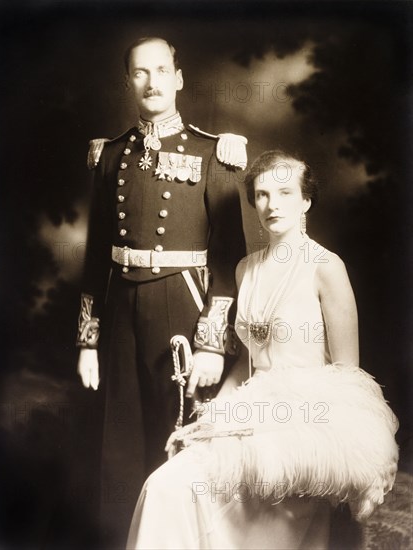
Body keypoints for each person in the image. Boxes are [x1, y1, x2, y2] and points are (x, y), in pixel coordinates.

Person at [127, 150, 399, 550]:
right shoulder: (245, 268)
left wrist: (310, 444)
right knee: (165, 485)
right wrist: (211, 420)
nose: (272, 205)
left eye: (285, 192)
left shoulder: (326, 267)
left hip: (306, 427)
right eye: (262, 194)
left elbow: (348, 376)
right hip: (250, 409)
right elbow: (247, 362)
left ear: (305, 200)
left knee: (243, 503)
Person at [76, 37, 247, 547]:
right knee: (120, 442)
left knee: (180, 436)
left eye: (160, 70)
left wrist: (214, 344)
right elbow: (92, 257)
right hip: (121, 309)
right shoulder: (110, 156)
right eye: (138, 72)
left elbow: (229, 259)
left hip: (183, 305)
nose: (151, 82)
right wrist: (87, 340)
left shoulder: (211, 151)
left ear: (178, 77)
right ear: (129, 81)